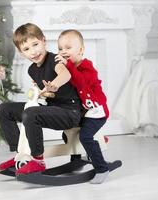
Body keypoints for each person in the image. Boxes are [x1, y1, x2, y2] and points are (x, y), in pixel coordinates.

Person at [0, 23, 82, 175]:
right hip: (52, 108)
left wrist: (53, 85)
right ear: (21, 53)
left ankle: (38, 160)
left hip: (70, 112)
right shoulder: (32, 69)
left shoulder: (55, 59)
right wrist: (40, 92)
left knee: (31, 113)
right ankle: (20, 155)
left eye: (35, 44)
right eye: (27, 49)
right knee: (4, 109)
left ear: (44, 41)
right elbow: (41, 88)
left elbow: (65, 75)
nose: (33, 52)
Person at [52, 29, 110, 184]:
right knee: (68, 132)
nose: (63, 52)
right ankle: (76, 160)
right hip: (83, 111)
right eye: (60, 48)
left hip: (97, 112)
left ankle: (102, 168)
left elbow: (80, 82)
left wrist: (69, 66)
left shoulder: (87, 67)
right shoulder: (68, 68)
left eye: (68, 48)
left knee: (85, 136)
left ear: (81, 50)